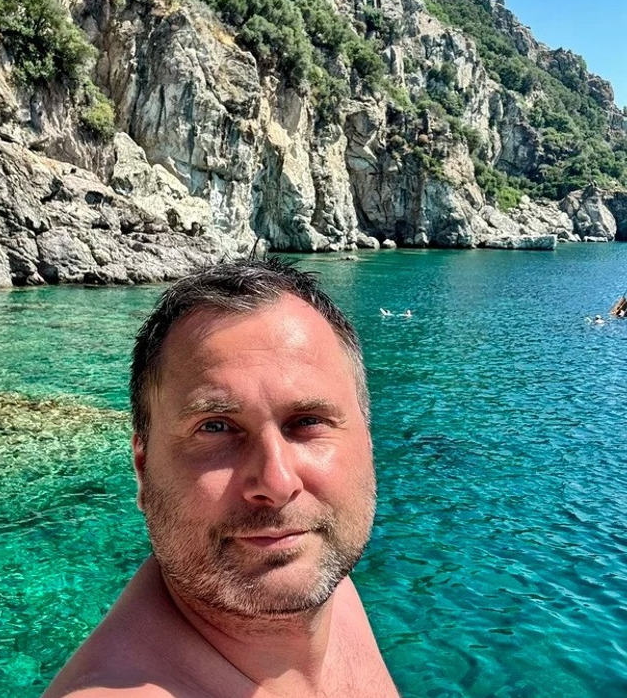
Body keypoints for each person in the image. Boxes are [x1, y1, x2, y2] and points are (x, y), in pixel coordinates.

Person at [43, 258, 399, 698]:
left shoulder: (329, 586)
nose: (277, 482)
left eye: (308, 421)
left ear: (368, 440)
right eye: (215, 427)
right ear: (142, 468)